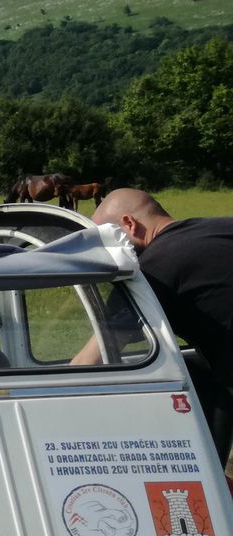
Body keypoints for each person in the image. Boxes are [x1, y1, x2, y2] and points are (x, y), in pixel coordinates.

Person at [78, 189, 233, 469]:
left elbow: (94, 355)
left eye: (107, 239)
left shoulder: (154, 271)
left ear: (129, 224)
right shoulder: (221, 228)